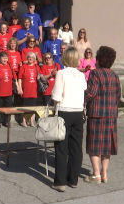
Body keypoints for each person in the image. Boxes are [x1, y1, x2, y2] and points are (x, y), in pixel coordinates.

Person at [51, 47, 87, 192]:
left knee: (61, 149)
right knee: (76, 148)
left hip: (65, 112)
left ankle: (60, 182)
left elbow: (56, 96)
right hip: (78, 113)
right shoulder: (81, 75)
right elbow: (83, 89)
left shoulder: (61, 73)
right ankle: (73, 179)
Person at [84, 46, 121, 184]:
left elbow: (91, 93)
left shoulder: (95, 74)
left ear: (99, 59)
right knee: (107, 146)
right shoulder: (114, 75)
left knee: (94, 145)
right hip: (111, 115)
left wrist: (81, 98)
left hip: (97, 114)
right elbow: (118, 96)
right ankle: (105, 174)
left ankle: (96, 175)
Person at [0, 52, 18, 127]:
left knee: (8, 108)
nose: (5, 59)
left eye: (6, 58)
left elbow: (14, 78)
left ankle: (7, 121)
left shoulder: (10, 66)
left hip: (8, 91)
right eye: (3, 58)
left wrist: (18, 87)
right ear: (0, 58)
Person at [18, 52, 41, 127]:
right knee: (25, 106)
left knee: (33, 107)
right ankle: (24, 121)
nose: (30, 58)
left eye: (32, 57)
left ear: (34, 59)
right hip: (26, 89)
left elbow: (40, 76)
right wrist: (20, 88)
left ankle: (31, 121)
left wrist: (39, 77)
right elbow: (20, 78)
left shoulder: (37, 67)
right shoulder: (23, 67)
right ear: (27, 58)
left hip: (34, 89)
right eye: (29, 57)